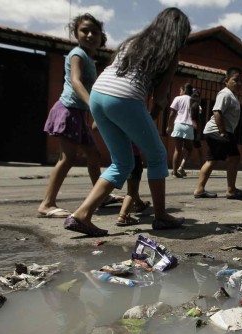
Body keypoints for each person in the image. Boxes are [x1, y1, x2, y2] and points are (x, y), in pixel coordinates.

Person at [63, 7, 190, 237]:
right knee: (158, 155)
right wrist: (153, 114)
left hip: (99, 96)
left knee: (122, 163)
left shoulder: (133, 42)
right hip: (124, 99)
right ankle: (161, 217)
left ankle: (81, 215)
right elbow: (160, 96)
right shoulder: (170, 52)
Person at [37, 13, 109, 218]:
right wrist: (93, 105)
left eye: (94, 31)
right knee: (67, 158)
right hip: (68, 110)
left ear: (101, 36)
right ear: (75, 34)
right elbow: (76, 82)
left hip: (79, 112)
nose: (89, 35)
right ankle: (46, 204)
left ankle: (101, 196)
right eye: (84, 30)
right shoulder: (77, 54)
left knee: (93, 155)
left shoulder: (89, 58)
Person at [193, 67, 242, 200]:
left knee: (215, 160)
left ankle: (200, 190)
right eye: (236, 80)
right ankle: (231, 190)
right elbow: (217, 112)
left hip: (217, 131)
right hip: (218, 131)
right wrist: (223, 132)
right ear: (226, 81)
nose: (239, 83)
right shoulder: (225, 94)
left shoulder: (233, 95)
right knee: (231, 158)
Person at [115, 144, 151, 226]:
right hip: (134, 158)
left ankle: (139, 203)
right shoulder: (132, 131)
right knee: (132, 191)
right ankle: (123, 216)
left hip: (120, 157)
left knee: (131, 186)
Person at [168, 83, 195, 178]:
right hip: (189, 126)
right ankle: (181, 167)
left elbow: (172, 114)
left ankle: (175, 171)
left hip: (178, 125)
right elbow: (196, 115)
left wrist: (169, 126)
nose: (179, 92)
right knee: (189, 149)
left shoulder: (177, 99)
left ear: (184, 90)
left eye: (180, 90)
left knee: (177, 149)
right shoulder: (193, 100)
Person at [177, 89, 205, 176]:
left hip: (184, 127)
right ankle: (202, 168)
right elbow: (196, 120)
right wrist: (198, 132)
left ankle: (179, 167)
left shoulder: (187, 104)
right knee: (198, 149)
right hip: (193, 129)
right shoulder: (197, 106)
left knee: (184, 149)